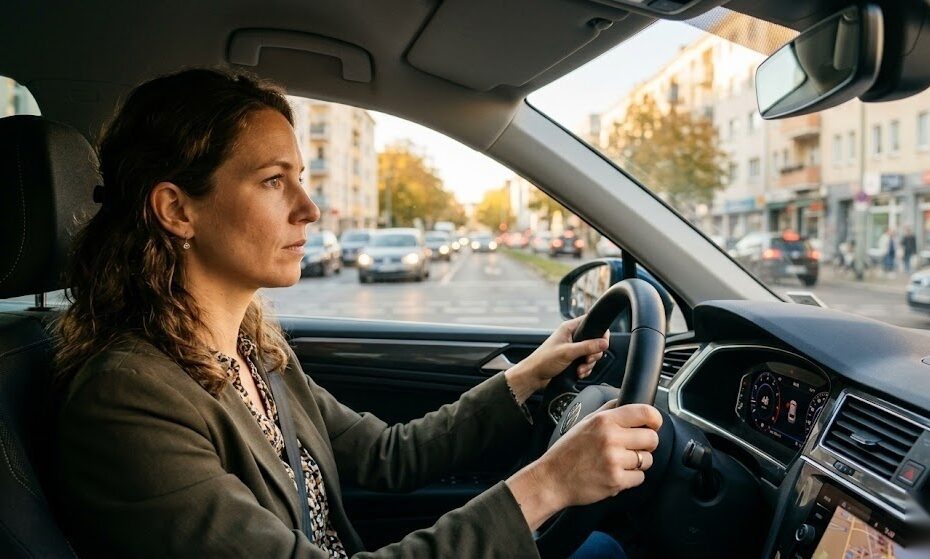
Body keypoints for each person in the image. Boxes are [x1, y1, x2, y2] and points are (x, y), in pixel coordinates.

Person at [52, 68, 661, 558]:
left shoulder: (253, 352)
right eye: (272, 181)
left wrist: (529, 374)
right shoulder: (127, 400)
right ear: (177, 210)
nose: (309, 209)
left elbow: (390, 454)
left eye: (301, 178)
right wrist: (548, 484)